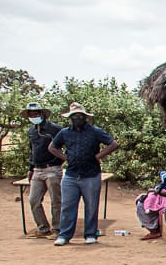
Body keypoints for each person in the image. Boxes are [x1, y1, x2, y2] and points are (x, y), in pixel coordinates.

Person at [48, 103, 118, 246]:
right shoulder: (65, 132)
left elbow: (113, 144)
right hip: (71, 174)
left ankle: (90, 234)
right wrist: (65, 158)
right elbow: (52, 147)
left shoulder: (95, 131)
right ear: (70, 117)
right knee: (67, 206)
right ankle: (64, 235)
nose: (77, 118)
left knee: (91, 206)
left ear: (85, 117)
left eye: (80, 115)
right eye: (74, 116)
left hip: (91, 174)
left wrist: (98, 156)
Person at [22, 102, 63, 238]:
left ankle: (57, 229)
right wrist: (30, 168)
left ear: (42, 114)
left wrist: (63, 158)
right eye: (30, 114)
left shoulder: (55, 129)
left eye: (35, 113)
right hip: (37, 170)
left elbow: (68, 143)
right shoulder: (31, 131)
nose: (33, 116)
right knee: (33, 200)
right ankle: (43, 228)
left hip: (52, 169)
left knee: (55, 201)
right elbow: (31, 150)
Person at [137, 152, 166, 239]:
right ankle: (153, 227)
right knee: (141, 200)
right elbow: (165, 184)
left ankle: (154, 230)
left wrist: (156, 191)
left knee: (143, 203)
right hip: (165, 195)